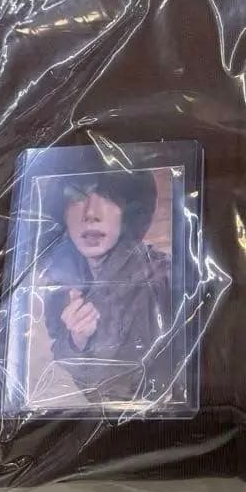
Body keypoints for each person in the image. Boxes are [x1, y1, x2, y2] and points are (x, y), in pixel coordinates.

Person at [40, 168, 173, 406]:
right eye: (77, 196)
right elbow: (66, 362)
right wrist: (77, 341)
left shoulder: (167, 278)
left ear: (128, 212)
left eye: (109, 197)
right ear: (63, 212)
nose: (91, 214)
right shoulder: (59, 284)